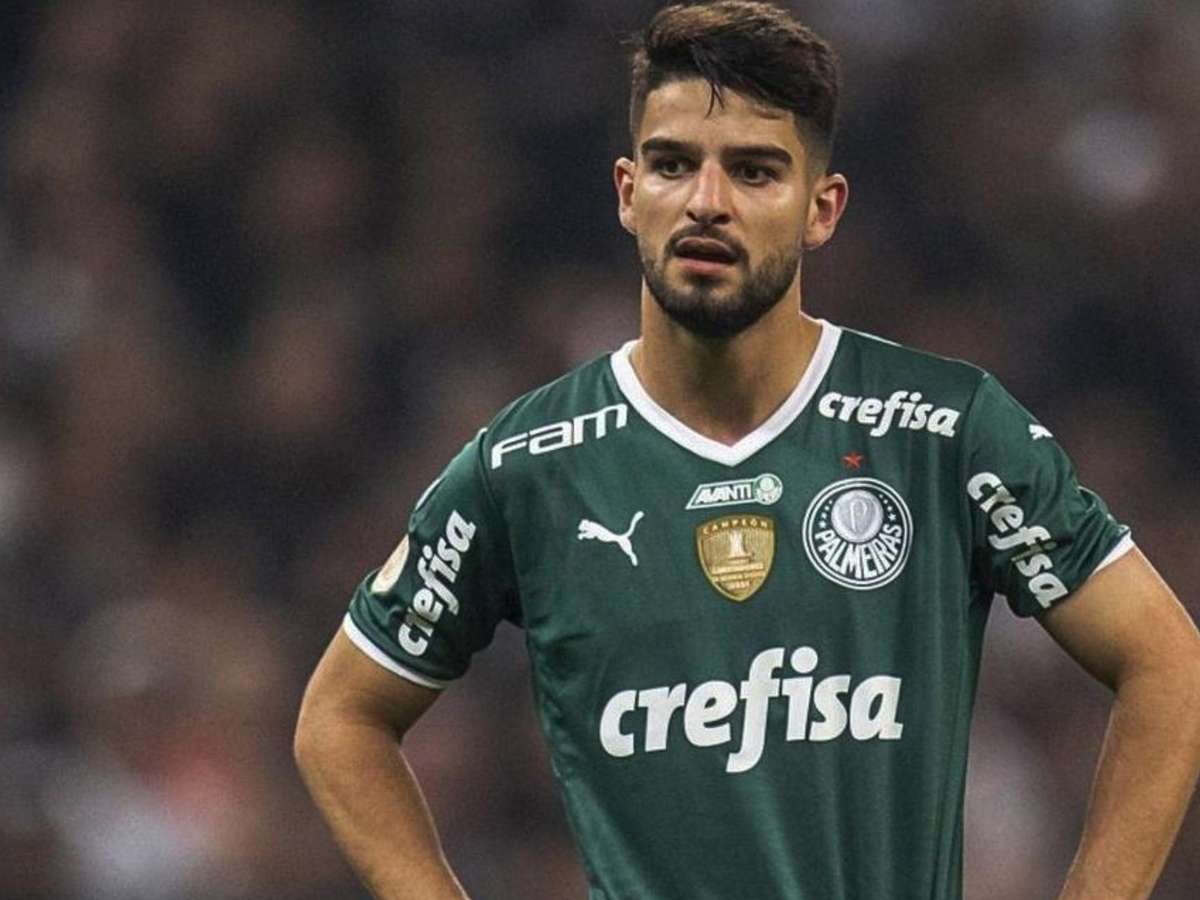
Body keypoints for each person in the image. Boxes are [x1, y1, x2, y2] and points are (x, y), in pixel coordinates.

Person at [293, 2, 1200, 898]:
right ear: (627, 193)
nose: (706, 202)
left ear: (821, 209)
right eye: (672, 164)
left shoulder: (943, 429)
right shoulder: (528, 466)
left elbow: (1169, 666)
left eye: (755, 171)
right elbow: (341, 718)